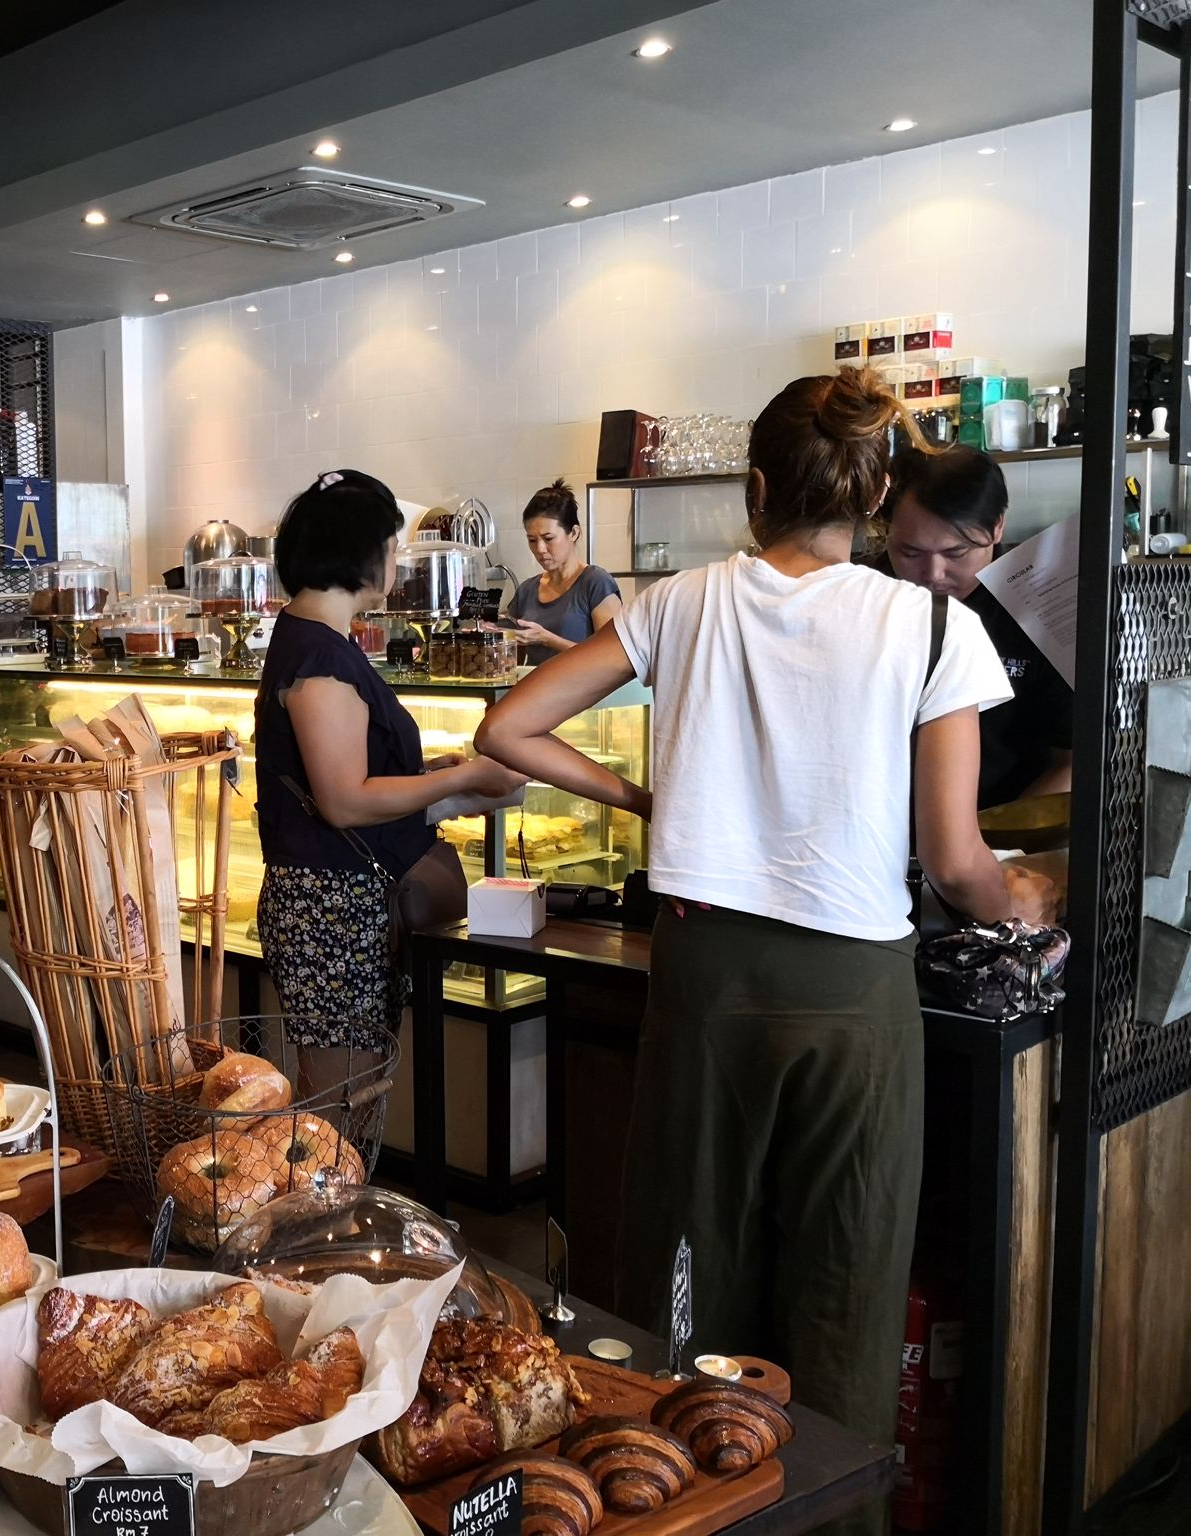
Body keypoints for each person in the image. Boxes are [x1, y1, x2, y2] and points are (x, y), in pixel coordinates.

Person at [473, 368, 1016, 1484]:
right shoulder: (930, 625)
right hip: (857, 992)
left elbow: (507, 725)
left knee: (689, 1252)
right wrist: (1031, 898)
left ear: (755, 488)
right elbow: (958, 864)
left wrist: (644, 799)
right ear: (874, 498)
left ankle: (667, 1489)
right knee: (845, 1273)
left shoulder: (680, 602)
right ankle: (831, 1505)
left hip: (706, 969)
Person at [256, 470, 523, 1096]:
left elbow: (349, 779)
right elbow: (345, 801)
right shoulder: (321, 659)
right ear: (359, 553)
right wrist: (466, 777)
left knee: (355, 1097)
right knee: (339, 1104)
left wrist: (433, 779)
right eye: (393, 548)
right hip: (330, 909)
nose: (397, 564)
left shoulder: (319, 640)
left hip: (341, 903)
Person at [872, 446, 1074, 809]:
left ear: (997, 527)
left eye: (955, 553)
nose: (932, 574)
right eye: (909, 553)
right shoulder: (868, 595)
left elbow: (1072, 762)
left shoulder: (1040, 608)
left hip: (1001, 825)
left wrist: (992, 836)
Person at [501, 479, 622, 660]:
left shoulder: (596, 583)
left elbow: (613, 657)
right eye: (532, 540)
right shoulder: (526, 591)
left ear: (573, 533)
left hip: (583, 680)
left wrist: (548, 639)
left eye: (548, 538)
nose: (540, 549)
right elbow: (512, 660)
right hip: (536, 680)